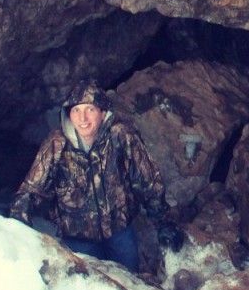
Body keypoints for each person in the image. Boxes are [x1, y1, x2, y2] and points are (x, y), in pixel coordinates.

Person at [10, 80, 184, 272]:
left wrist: (164, 222)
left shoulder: (121, 136)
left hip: (120, 233)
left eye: (90, 109)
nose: (82, 118)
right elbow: (32, 188)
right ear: (69, 114)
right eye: (76, 110)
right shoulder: (56, 144)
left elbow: (147, 180)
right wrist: (18, 222)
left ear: (102, 113)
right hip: (78, 239)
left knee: (131, 285)